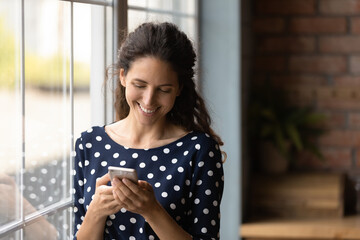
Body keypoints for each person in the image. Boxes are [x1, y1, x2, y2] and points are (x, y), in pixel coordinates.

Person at [73, 22, 225, 240]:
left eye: (164, 89)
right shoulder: (89, 143)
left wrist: (151, 210)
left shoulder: (199, 150)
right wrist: (96, 211)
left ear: (179, 88)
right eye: (140, 85)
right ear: (123, 76)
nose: (149, 100)